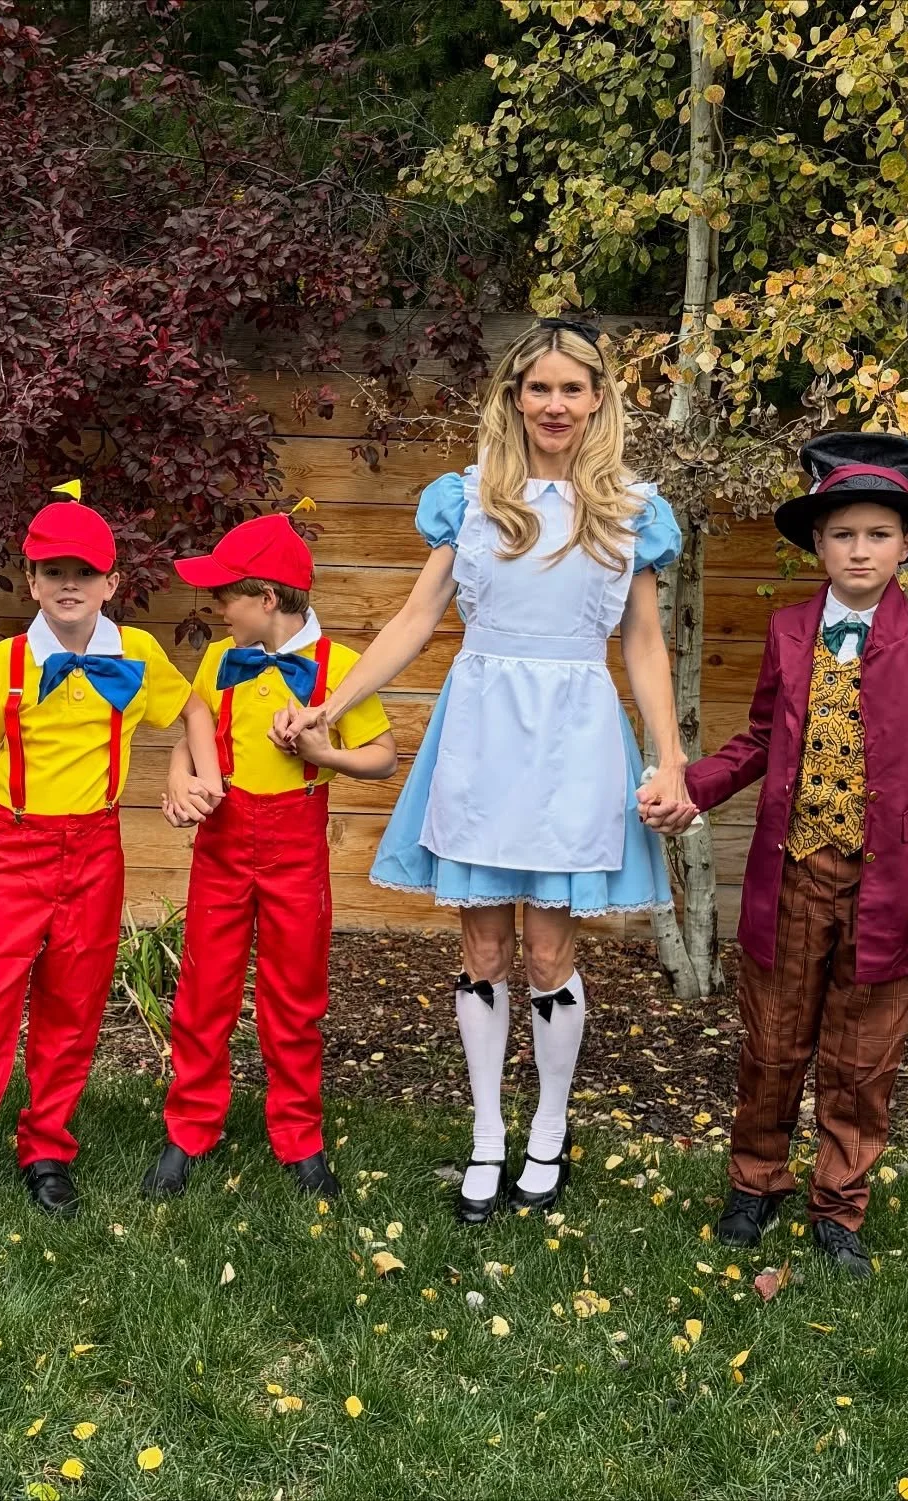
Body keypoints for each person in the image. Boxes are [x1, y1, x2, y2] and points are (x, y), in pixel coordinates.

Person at [280, 319, 692, 1225]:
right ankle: (486, 1133)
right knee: (483, 950)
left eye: (572, 389)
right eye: (538, 387)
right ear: (514, 397)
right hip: (481, 732)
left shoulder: (630, 507)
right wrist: (332, 705)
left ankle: (549, 1128)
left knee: (548, 952)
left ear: (598, 400)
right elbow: (415, 620)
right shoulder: (467, 499)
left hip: (576, 735)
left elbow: (644, 641)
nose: (554, 404)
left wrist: (669, 757)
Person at [642, 432, 908, 1278]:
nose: (858, 549)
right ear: (817, 544)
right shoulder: (790, 630)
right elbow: (758, 739)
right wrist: (691, 786)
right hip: (791, 874)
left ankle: (840, 1205)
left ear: (906, 545)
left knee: (863, 1058)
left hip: (893, 887)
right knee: (773, 1043)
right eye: (842, 534)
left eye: (876, 534)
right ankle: (755, 1183)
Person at [0, 487, 221, 1256]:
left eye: (86, 570)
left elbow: (198, 710)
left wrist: (196, 778)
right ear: (33, 581)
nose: (69, 583)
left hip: (96, 851)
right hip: (18, 849)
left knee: (73, 1009)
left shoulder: (137, 656)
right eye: (53, 570)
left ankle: (46, 1148)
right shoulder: (5, 664)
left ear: (111, 582)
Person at [141, 513, 398, 1199]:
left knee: (294, 997)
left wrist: (324, 753)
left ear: (269, 600)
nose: (216, 608)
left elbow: (382, 755)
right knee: (204, 992)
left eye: (226, 595)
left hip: (295, 853)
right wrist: (179, 778)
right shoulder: (222, 660)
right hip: (223, 846)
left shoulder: (340, 669)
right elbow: (192, 733)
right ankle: (190, 1127)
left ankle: (299, 1136)